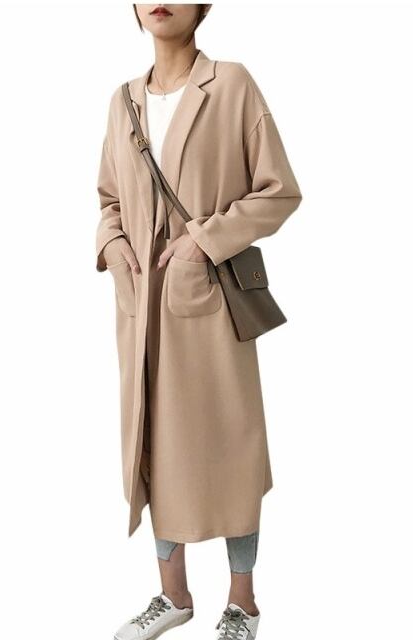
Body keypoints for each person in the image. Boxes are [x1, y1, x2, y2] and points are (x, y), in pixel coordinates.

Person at [95, 4, 302, 639]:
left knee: (230, 445)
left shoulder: (231, 84)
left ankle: (243, 602)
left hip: (208, 304)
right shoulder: (123, 102)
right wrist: (112, 245)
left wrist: (203, 242)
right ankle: (173, 595)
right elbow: (108, 198)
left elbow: (279, 190)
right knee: (154, 448)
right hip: (142, 310)